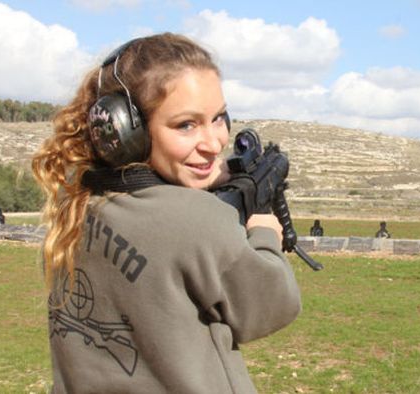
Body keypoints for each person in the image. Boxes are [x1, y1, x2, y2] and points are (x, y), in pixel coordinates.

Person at [31, 33, 300, 393]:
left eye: (219, 118)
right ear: (128, 132)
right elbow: (272, 305)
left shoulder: (78, 205)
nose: (214, 143)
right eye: (185, 125)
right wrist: (265, 231)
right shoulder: (196, 219)